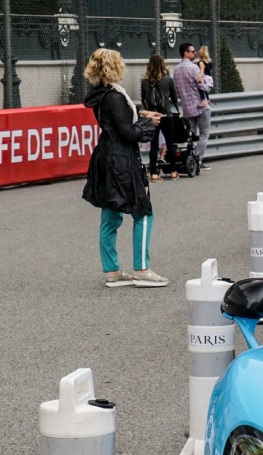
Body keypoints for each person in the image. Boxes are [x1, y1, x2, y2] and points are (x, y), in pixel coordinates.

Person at [81, 48, 169, 287]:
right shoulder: (115, 96)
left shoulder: (102, 94)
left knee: (111, 214)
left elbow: (116, 120)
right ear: (114, 67)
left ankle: (112, 272)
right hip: (120, 161)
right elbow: (129, 133)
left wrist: (140, 114)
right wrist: (147, 123)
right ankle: (141, 269)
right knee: (143, 212)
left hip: (105, 157)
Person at [173, 42, 211, 169]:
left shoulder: (176, 70)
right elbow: (203, 85)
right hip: (200, 106)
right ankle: (197, 159)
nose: (195, 53)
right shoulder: (194, 68)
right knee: (204, 133)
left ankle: (190, 158)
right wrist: (208, 83)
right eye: (192, 51)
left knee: (191, 134)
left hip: (187, 107)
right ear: (186, 53)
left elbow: (177, 90)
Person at [140, 54, 179, 180]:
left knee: (154, 145)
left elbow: (143, 99)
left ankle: (154, 173)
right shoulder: (168, 80)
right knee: (170, 143)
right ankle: (173, 172)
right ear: (163, 65)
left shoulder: (144, 82)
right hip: (166, 115)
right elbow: (174, 98)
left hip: (152, 116)